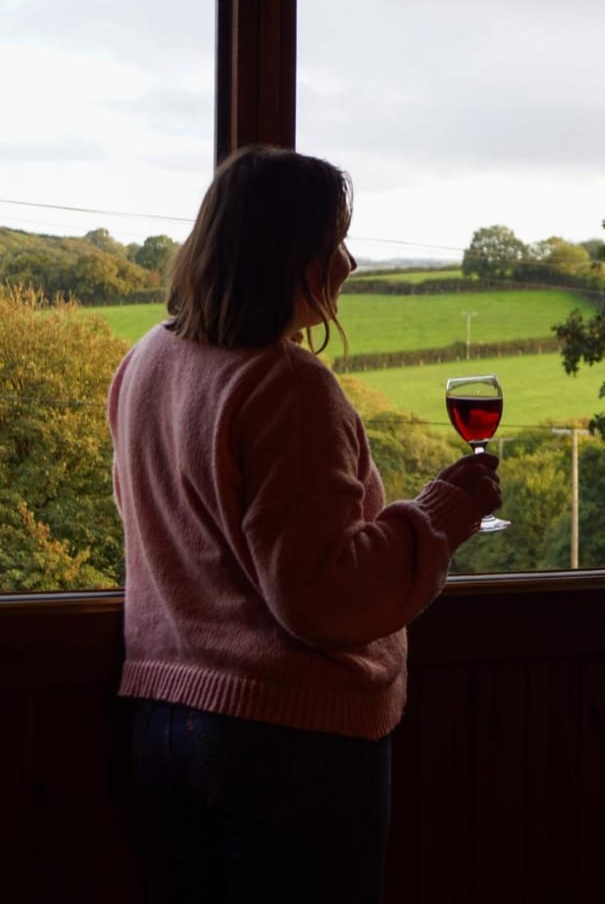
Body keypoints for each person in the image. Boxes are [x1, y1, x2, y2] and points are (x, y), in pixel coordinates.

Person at [107, 144, 502, 904]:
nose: (348, 263)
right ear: (290, 254)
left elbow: (160, 528)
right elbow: (323, 596)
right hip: (286, 742)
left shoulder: (146, 359)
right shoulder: (286, 384)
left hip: (161, 728)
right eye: (334, 241)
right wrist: (441, 517)